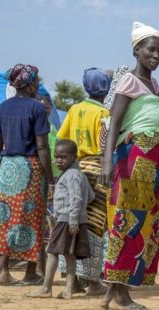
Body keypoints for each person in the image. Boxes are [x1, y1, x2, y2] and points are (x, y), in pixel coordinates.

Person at [98, 21, 159, 310]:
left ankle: (113, 290)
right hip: (136, 159)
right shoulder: (128, 82)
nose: (157, 56)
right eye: (151, 49)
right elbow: (115, 124)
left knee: (148, 222)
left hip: (155, 159)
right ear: (136, 50)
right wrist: (107, 162)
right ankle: (121, 296)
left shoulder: (154, 84)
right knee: (129, 221)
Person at [0, 64, 54, 286]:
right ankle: (30, 272)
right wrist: (50, 179)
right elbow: (42, 147)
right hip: (30, 168)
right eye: (37, 82)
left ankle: (2, 270)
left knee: (5, 219)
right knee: (33, 219)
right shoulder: (37, 108)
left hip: (7, 168)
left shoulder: (2, 108)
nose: (38, 85)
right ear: (30, 85)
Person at [56, 67, 111, 295]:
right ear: (106, 90)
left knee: (74, 220)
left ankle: (73, 279)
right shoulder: (104, 115)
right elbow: (104, 147)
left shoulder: (75, 109)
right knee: (95, 226)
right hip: (97, 171)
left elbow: (61, 138)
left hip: (75, 169)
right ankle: (93, 281)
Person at [27, 140, 94, 299]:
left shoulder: (70, 175)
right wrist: (79, 214)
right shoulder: (79, 175)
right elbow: (89, 196)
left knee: (51, 251)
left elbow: (76, 197)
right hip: (74, 220)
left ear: (74, 157)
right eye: (56, 157)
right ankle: (69, 290)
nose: (58, 160)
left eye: (63, 157)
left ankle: (46, 288)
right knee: (69, 254)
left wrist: (72, 218)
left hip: (66, 221)